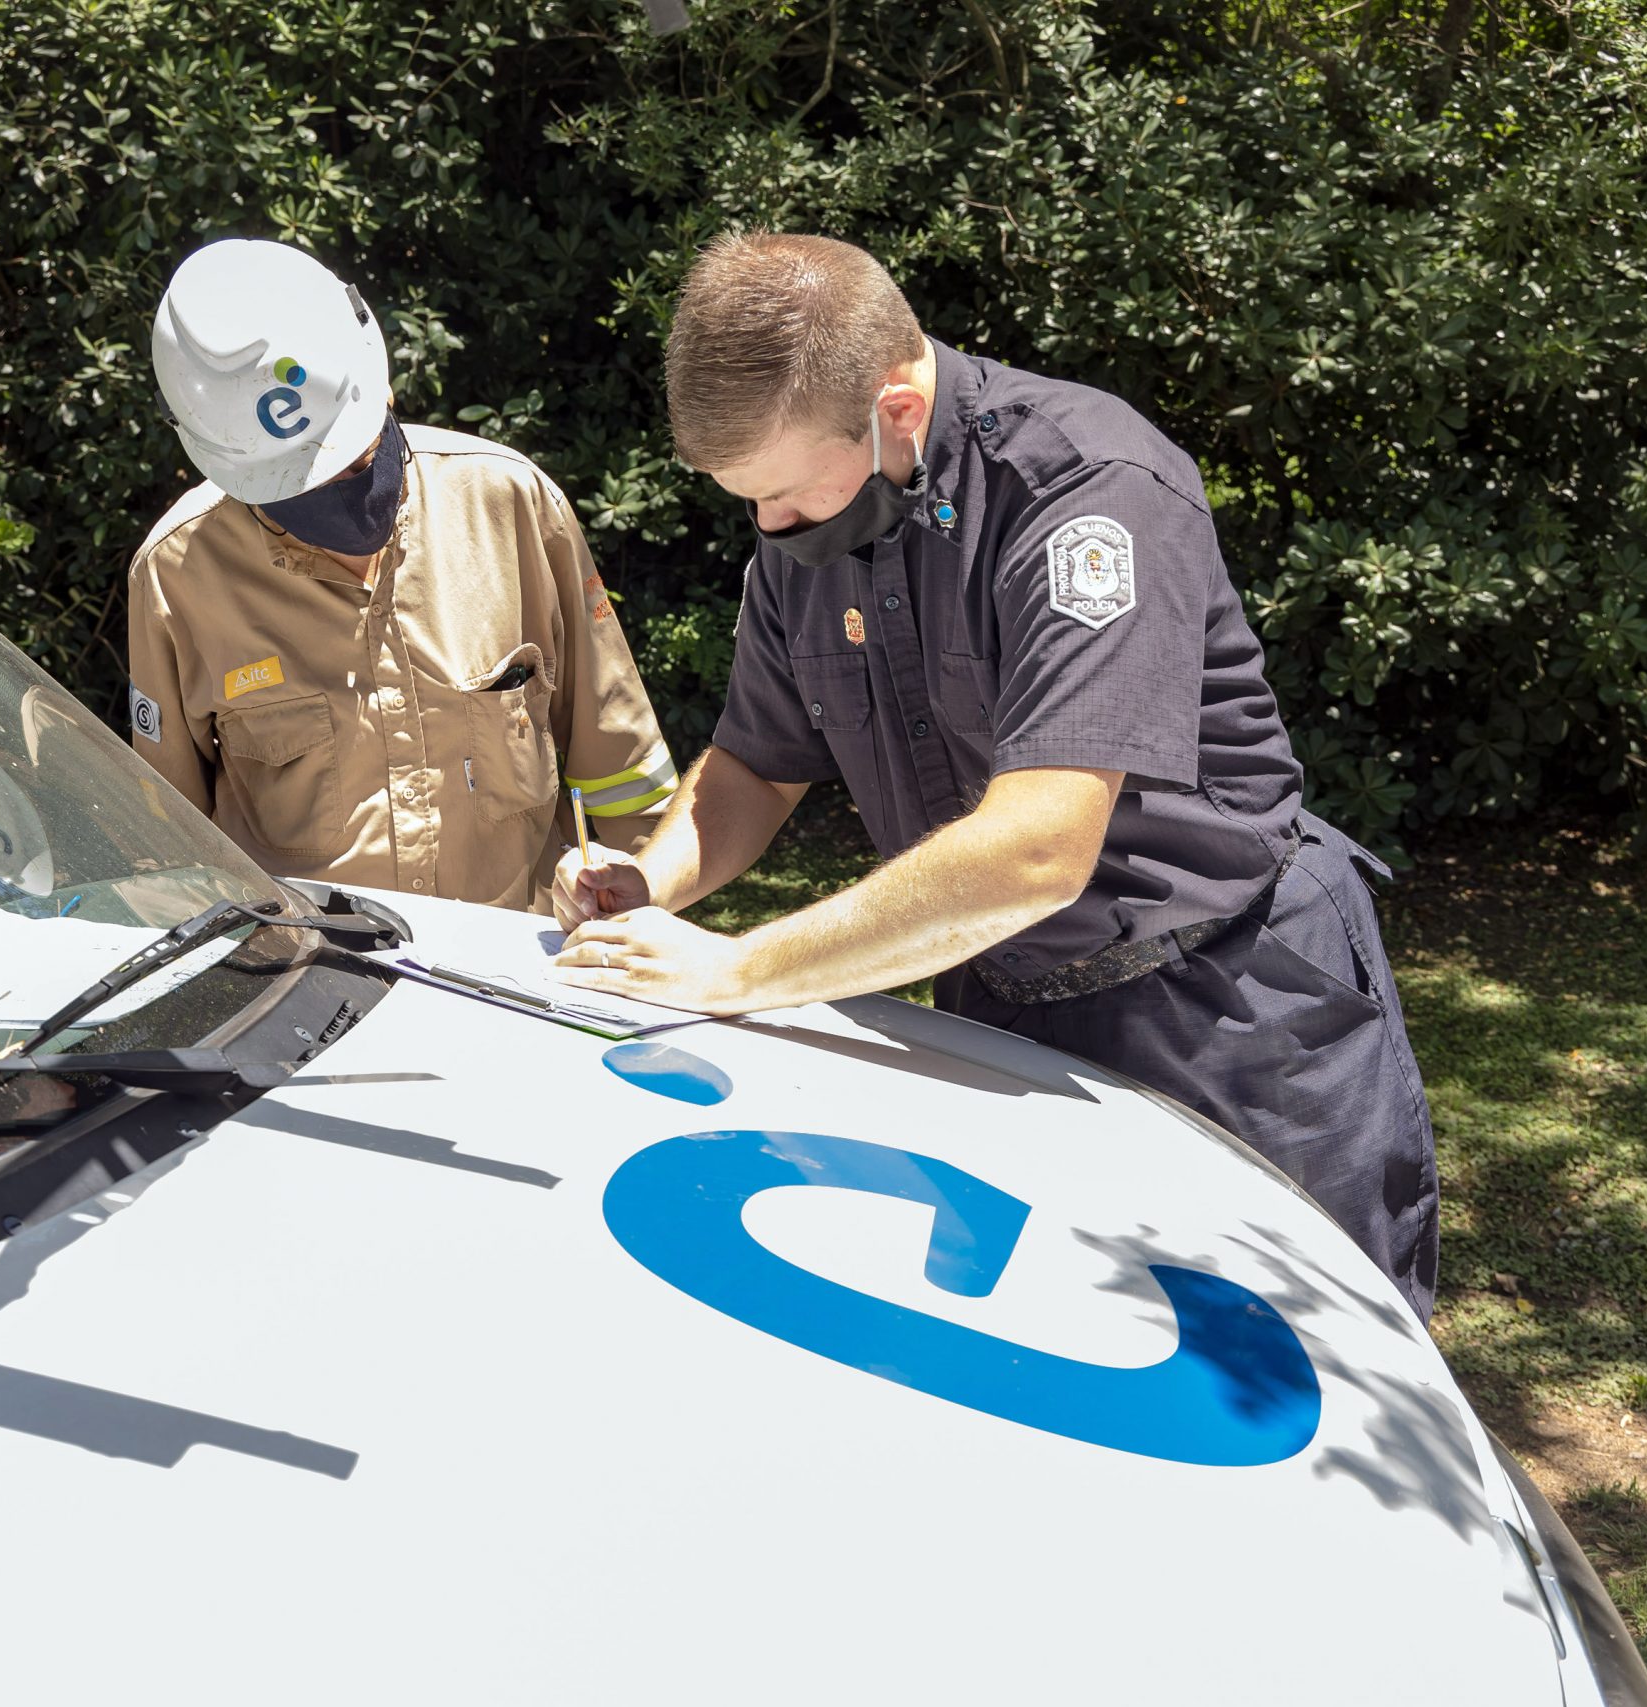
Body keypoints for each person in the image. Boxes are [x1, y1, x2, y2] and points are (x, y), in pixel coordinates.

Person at [550, 233, 1438, 1320]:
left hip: (1223, 1014)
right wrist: (654, 882)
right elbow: (755, 764)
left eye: (782, 494)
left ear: (897, 412)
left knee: (1292, 1357)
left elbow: (1034, 849)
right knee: (1041, 1334)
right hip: (993, 1000)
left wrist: (736, 973)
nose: (767, 527)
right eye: (747, 501)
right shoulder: (807, 534)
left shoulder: (1084, 490)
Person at [127, 239, 675, 911]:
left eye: (355, 463)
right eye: (296, 486)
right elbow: (170, 836)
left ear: (379, 381)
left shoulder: (511, 504)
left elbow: (622, 769)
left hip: (519, 973)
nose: (340, 497)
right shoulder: (177, 577)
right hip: (307, 981)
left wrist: (643, 907)